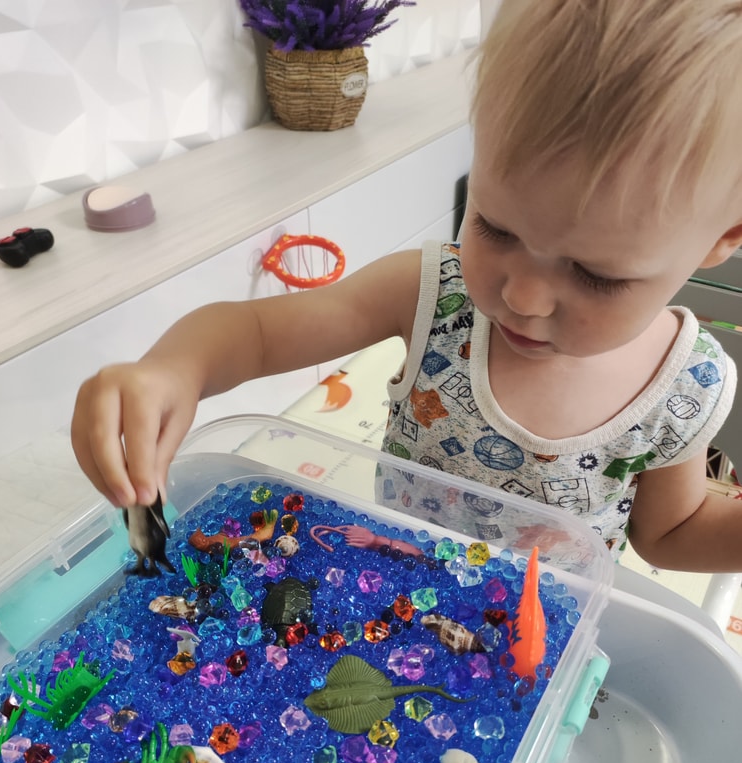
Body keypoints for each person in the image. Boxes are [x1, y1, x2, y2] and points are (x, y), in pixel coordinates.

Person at [71, 0, 742, 571]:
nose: (522, 298)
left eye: (597, 275)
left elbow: (671, 533)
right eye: (495, 226)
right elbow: (256, 333)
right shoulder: (433, 293)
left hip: (544, 640)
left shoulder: (685, 386)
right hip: (387, 585)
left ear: (723, 238)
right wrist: (174, 368)